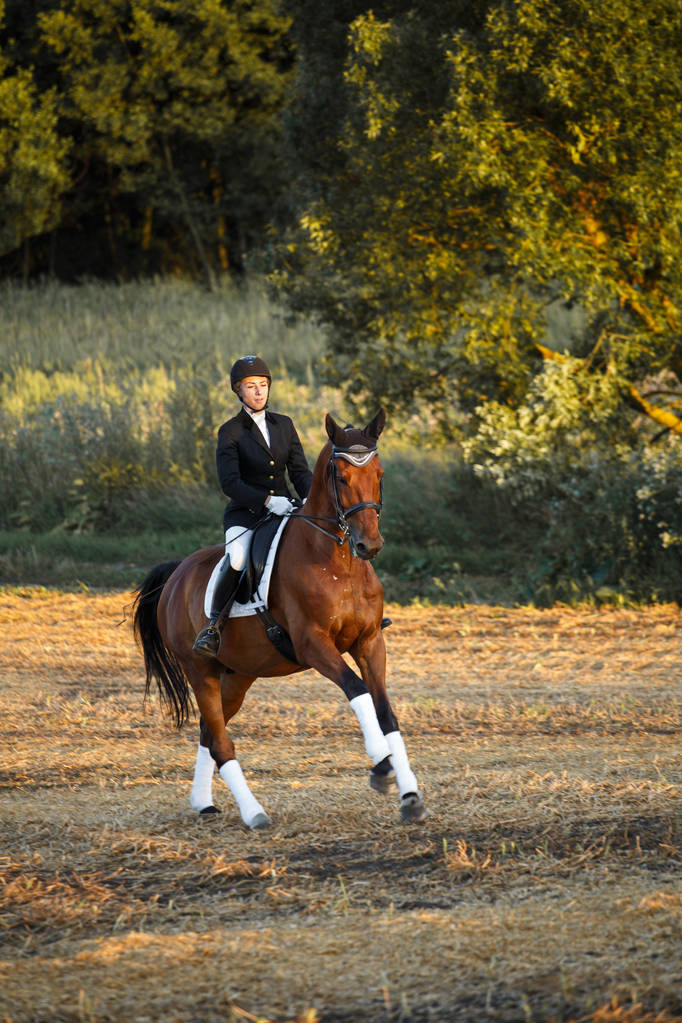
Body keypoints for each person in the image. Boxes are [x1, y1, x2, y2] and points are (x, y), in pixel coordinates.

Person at [193, 355, 313, 657]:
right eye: (251, 386)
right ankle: (213, 627)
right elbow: (230, 483)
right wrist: (267, 500)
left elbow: (299, 471)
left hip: (287, 509)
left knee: (325, 541)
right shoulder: (231, 431)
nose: (259, 391)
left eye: (263, 385)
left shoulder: (284, 425)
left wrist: (311, 498)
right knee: (236, 558)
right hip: (246, 514)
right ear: (238, 391)